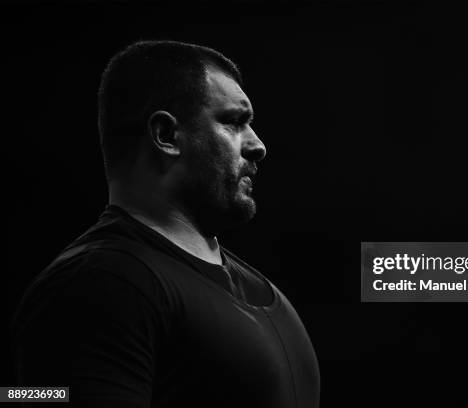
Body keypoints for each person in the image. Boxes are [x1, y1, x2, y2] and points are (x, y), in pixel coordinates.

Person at [11, 40, 320, 408]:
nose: (258, 145)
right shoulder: (97, 284)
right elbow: (33, 399)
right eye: (236, 122)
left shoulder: (259, 288)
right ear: (167, 136)